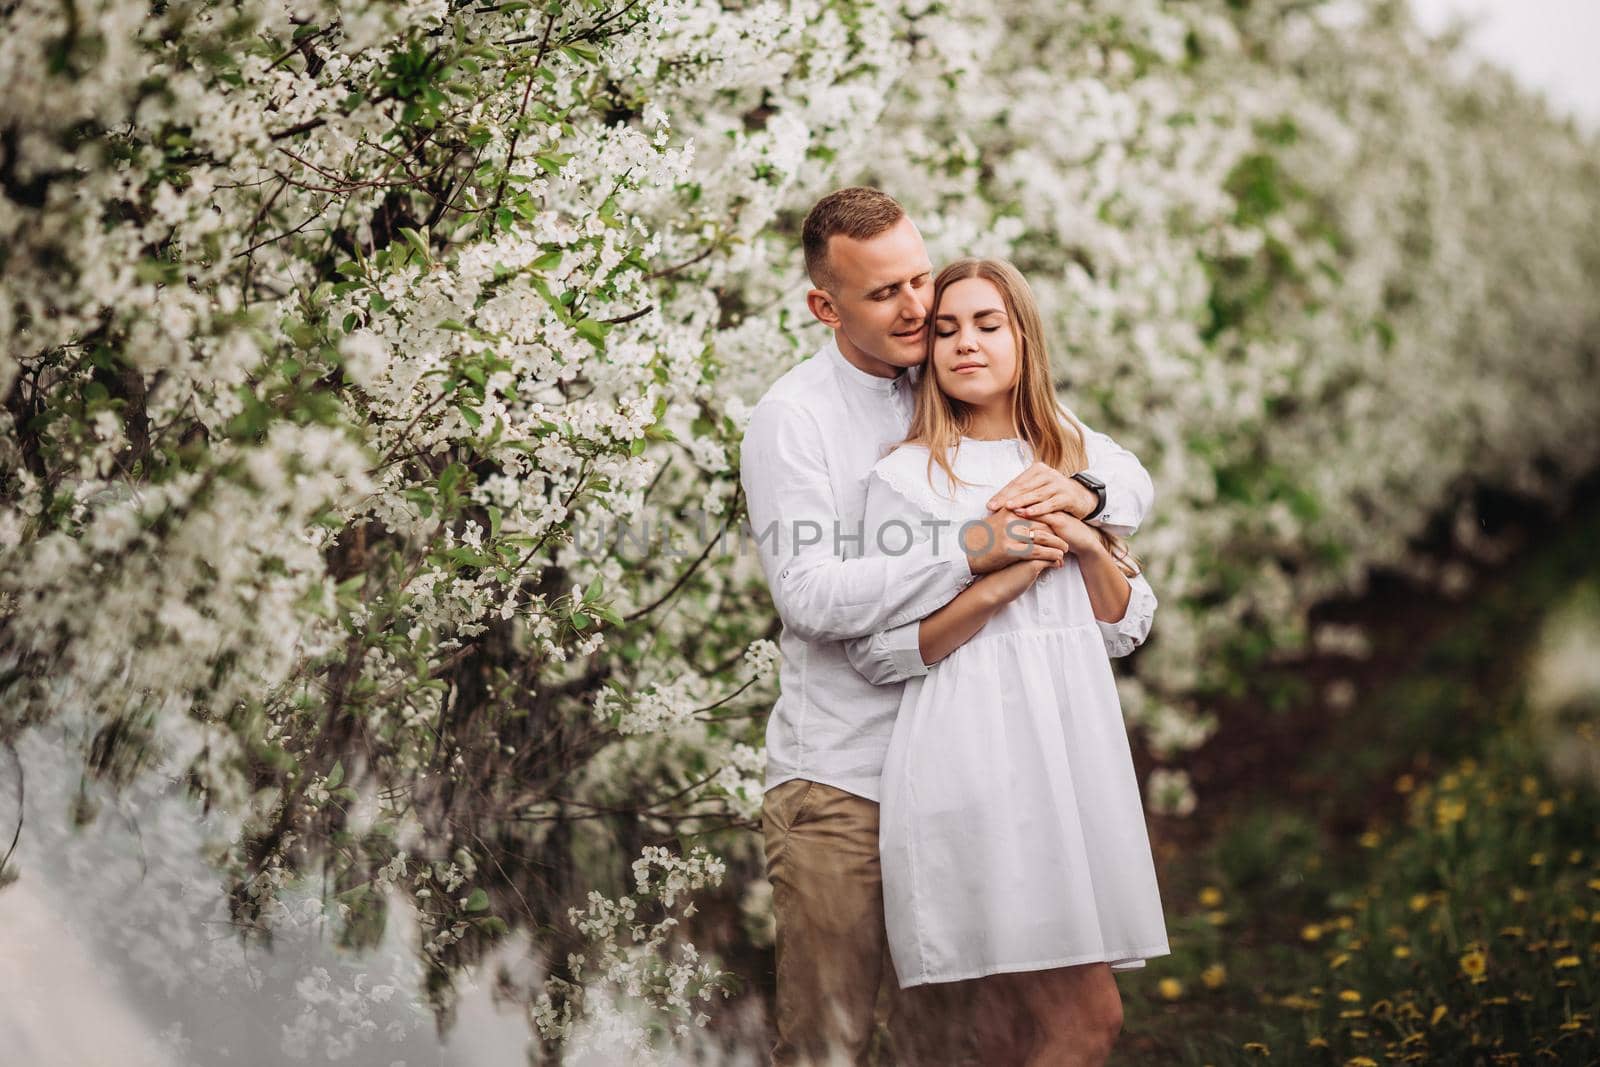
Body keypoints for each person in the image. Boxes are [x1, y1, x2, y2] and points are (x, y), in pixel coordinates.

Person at [739, 187, 1156, 1066]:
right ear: (826, 306)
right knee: (831, 1043)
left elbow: (1108, 464)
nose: (920, 309)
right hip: (844, 778)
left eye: (920, 279)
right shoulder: (795, 419)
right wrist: (976, 553)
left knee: (960, 1044)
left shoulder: (945, 377)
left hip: (980, 773)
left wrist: (1086, 501)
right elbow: (809, 598)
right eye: (885, 292)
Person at [842, 257, 1170, 1066]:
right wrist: (995, 583)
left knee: (1007, 1025)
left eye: (988, 324)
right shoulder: (908, 477)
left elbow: (1127, 622)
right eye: (946, 329)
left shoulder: (1074, 453)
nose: (965, 344)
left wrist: (1089, 540)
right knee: (1087, 1021)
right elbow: (881, 651)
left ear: (1023, 335)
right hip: (974, 752)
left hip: (1072, 747)